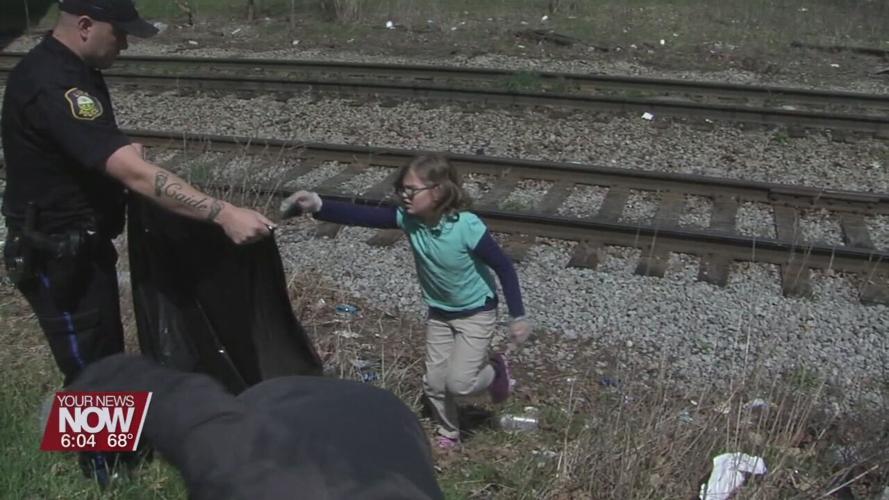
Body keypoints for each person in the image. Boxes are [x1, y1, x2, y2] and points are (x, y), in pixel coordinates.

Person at [1, 0, 274, 483]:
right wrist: (223, 212)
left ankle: (114, 454)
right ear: (85, 26)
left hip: (80, 245)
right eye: (119, 33)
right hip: (54, 252)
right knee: (90, 366)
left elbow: (93, 145)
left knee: (104, 352)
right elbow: (137, 176)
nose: (125, 44)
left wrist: (119, 155)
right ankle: (103, 475)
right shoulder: (53, 82)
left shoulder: (74, 69)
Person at [281, 155, 532, 449]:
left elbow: (503, 266)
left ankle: (496, 370)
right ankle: (449, 432)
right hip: (439, 312)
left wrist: (518, 315)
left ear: (438, 191)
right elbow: (361, 216)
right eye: (402, 188)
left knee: (460, 383)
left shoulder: (466, 226)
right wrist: (317, 204)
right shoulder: (408, 218)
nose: (404, 195)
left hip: (476, 312)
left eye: (411, 189)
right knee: (434, 382)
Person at [68, 354, 445, 499]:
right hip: (288, 401)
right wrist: (73, 417)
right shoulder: (246, 471)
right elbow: (168, 394)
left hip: (390, 419)